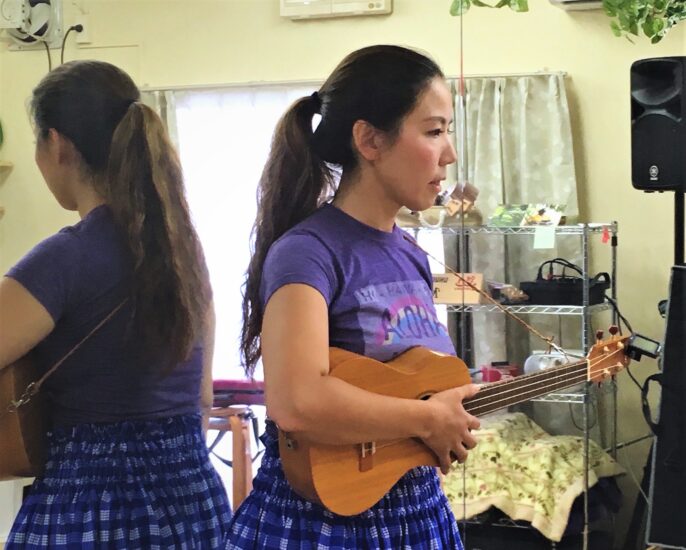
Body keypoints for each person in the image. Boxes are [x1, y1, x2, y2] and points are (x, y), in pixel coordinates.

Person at [228, 45, 480, 549]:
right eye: (433, 131)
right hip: (322, 525)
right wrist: (429, 418)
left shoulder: (409, 253)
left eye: (447, 131)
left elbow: (411, 381)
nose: (449, 153)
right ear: (368, 139)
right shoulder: (307, 252)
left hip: (416, 513)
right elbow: (296, 401)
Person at [0, 60, 231, 549]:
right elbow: (203, 398)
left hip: (88, 507)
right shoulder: (184, 253)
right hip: (191, 502)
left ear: (55, 144)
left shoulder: (64, 258)